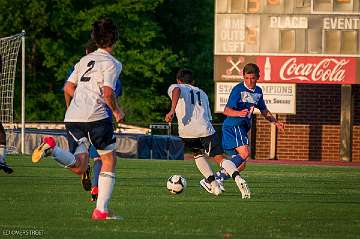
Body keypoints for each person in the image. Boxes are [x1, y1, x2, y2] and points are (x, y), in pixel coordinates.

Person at [32, 18, 124, 220]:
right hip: (96, 118)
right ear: (115, 39)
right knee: (109, 159)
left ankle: (52, 149)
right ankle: (101, 211)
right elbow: (108, 92)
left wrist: (79, 104)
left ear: (95, 38)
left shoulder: (83, 61)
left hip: (73, 117)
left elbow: (68, 87)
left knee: (80, 165)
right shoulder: (113, 63)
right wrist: (116, 111)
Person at [165, 68, 250, 198]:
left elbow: (177, 90)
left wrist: (172, 110)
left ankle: (214, 186)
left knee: (198, 154)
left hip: (187, 132)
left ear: (178, 80)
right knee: (219, 158)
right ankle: (237, 178)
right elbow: (209, 117)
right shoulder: (202, 93)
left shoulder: (175, 86)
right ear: (193, 81)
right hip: (205, 128)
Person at [215, 63, 285, 191]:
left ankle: (216, 180)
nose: (249, 81)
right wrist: (238, 113)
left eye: (252, 78)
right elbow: (226, 110)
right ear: (243, 77)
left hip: (239, 128)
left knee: (240, 165)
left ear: (258, 77)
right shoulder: (238, 90)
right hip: (234, 126)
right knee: (246, 152)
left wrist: (275, 122)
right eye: (246, 78)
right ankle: (216, 178)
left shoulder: (258, 91)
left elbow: (264, 110)